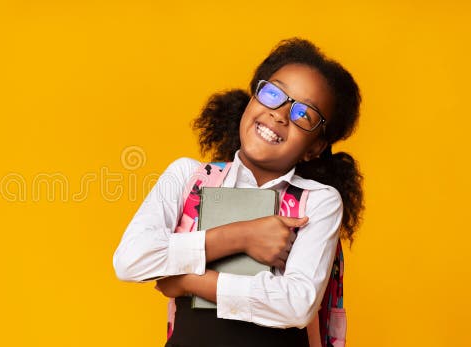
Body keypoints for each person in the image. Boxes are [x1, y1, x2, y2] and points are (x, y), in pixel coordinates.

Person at [112, 38, 363, 347]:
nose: (280, 114)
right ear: (251, 100)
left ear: (315, 147)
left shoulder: (317, 202)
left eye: (304, 115)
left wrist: (191, 281)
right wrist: (242, 237)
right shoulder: (187, 176)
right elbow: (130, 260)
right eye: (273, 94)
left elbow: (297, 306)